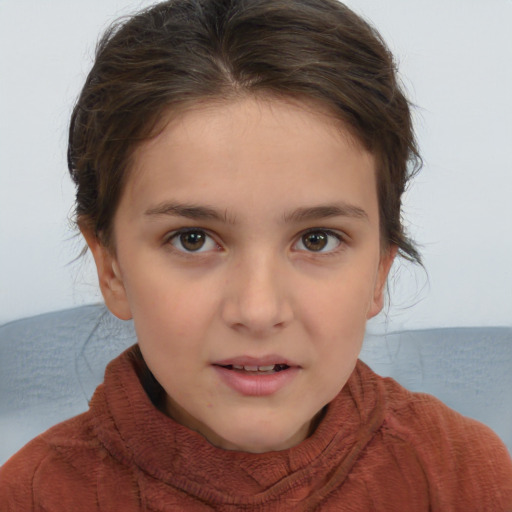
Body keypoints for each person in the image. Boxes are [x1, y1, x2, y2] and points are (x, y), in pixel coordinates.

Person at [1, 0, 511, 509]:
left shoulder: (464, 475)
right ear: (110, 267)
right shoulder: (30, 496)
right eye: (193, 239)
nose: (258, 310)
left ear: (380, 270)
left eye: (317, 239)